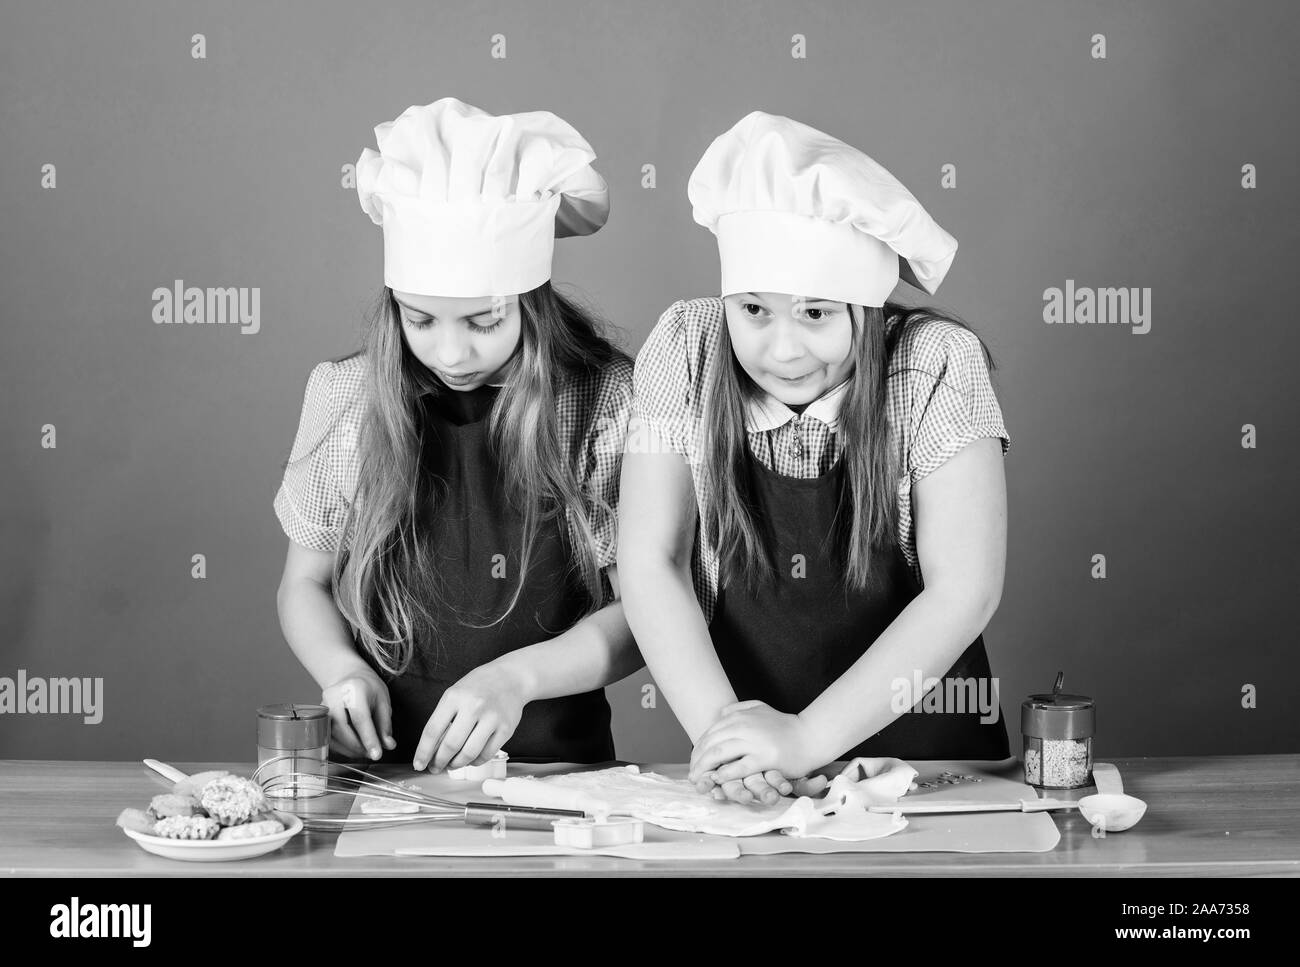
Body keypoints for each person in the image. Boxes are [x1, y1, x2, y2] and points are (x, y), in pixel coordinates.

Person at [619, 110, 1012, 806]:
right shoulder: (682, 346)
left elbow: (965, 589)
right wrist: (734, 746)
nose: (782, 350)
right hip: (755, 780)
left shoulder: (935, 362)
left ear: (865, 307)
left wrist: (803, 736)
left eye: (816, 314)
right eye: (754, 311)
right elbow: (651, 561)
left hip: (927, 769)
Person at [274, 97, 640, 774]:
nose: (451, 353)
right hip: (386, 777)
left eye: (482, 322)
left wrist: (517, 679)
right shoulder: (347, 395)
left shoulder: (603, 401)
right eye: (421, 321)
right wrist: (341, 672)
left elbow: (645, 615)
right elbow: (305, 583)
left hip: (557, 777)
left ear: (531, 304)